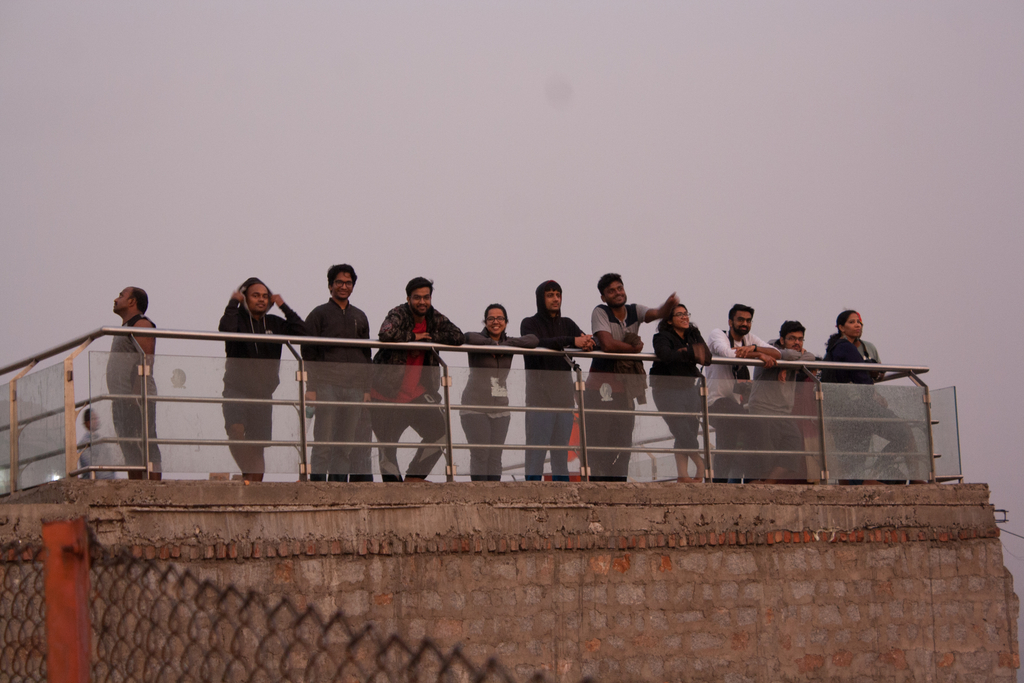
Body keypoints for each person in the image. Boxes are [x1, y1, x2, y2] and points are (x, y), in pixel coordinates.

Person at [585, 273, 678, 482]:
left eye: (620, 288)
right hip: (599, 389)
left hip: (625, 390)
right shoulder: (600, 312)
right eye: (611, 291)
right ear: (603, 297)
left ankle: (618, 487)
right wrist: (633, 349)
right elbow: (607, 344)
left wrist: (669, 305)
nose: (617, 293)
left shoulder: (634, 310)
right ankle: (598, 488)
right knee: (599, 442)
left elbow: (656, 313)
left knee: (623, 441)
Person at [370, 277, 464, 481]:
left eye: (426, 297)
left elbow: (458, 336)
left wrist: (429, 337)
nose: (422, 302)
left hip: (416, 394)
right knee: (387, 449)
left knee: (441, 434)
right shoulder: (398, 313)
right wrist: (414, 337)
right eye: (417, 298)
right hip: (385, 394)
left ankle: (415, 478)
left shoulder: (433, 317)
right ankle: (394, 494)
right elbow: (386, 332)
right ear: (408, 298)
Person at [219, 277, 306, 482]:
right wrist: (233, 303)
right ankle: (247, 475)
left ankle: (252, 484)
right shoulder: (237, 319)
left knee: (258, 445)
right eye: (255, 295)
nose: (261, 300)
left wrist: (283, 306)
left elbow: (303, 331)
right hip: (236, 388)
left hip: (263, 392)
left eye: (265, 296)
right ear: (245, 298)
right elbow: (226, 330)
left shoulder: (274, 323)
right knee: (235, 430)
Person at [822, 310, 920, 483]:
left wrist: (871, 366)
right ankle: (878, 471)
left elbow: (864, 369)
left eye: (859, 322)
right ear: (841, 327)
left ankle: (869, 476)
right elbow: (860, 376)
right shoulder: (845, 347)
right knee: (902, 432)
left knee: (854, 457)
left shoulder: (840, 348)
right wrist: (872, 391)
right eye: (852, 322)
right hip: (857, 407)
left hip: (845, 410)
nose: (857, 325)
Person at [302, 264, 372, 482]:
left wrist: (366, 389)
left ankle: (338, 487)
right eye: (339, 282)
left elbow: (366, 355)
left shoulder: (360, 316)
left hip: (354, 388)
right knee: (323, 441)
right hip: (326, 385)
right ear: (330, 285)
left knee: (346, 444)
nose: (344, 286)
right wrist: (311, 388)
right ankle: (317, 487)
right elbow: (308, 353)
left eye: (348, 283)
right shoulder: (318, 314)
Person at [520, 280, 595, 481]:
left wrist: (589, 343)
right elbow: (537, 343)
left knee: (561, 453)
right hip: (539, 398)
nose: (555, 299)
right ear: (541, 298)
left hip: (564, 399)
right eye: (550, 295)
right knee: (537, 451)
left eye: (558, 294)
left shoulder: (567, 323)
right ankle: (532, 492)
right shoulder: (529, 323)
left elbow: (585, 339)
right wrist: (571, 341)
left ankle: (563, 493)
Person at [704, 304, 781, 482]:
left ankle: (722, 484)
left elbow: (777, 353)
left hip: (734, 403)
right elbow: (729, 354)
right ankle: (751, 479)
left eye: (748, 320)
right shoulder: (718, 334)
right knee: (752, 426)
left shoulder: (749, 340)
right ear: (730, 322)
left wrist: (754, 349)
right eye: (740, 319)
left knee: (728, 442)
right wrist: (760, 356)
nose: (744, 323)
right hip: (715, 401)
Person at [460, 304, 538, 481]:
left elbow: (533, 340)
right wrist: (491, 345)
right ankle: (480, 498)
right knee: (481, 454)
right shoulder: (478, 340)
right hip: (474, 407)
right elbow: (467, 336)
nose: (495, 321)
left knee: (495, 456)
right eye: (491, 318)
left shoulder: (508, 343)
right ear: (485, 322)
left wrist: (505, 345)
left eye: (500, 318)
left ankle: (493, 497)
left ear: (506, 321)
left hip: (501, 408)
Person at [747, 320, 817, 482]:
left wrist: (784, 366)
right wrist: (788, 360)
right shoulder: (769, 347)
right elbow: (791, 355)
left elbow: (810, 358)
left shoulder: (791, 353)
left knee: (793, 447)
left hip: (784, 412)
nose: (797, 342)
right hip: (762, 409)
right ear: (782, 339)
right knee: (765, 455)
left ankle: (768, 484)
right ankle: (756, 485)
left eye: (800, 339)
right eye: (792, 338)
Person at [650, 304, 711, 482]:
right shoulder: (661, 336)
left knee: (689, 430)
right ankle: (700, 463)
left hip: (689, 388)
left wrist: (686, 351)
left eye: (686, 314)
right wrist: (692, 353)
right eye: (679, 314)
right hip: (666, 389)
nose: (685, 317)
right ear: (669, 320)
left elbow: (707, 357)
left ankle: (682, 475)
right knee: (681, 429)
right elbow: (665, 355)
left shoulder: (693, 334)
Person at [108, 286, 162, 480]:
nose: (116, 299)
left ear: (132, 301)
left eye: (121, 295)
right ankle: (137, 487)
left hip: (137, 398)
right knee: (129, 446)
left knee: (145, 443)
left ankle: (153, 489)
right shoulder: (126, 327)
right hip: (122, 399)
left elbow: (146, 361)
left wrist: (136, 395)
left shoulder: (141, 325)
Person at [77, 408, 119, 480]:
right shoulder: (83, 444)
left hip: (109, 479)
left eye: (96, 418)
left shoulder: (101, 441)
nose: (96, 421)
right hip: (93, 481)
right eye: (93, 419)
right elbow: (90, 464)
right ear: (87, 422)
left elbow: (110, 461)